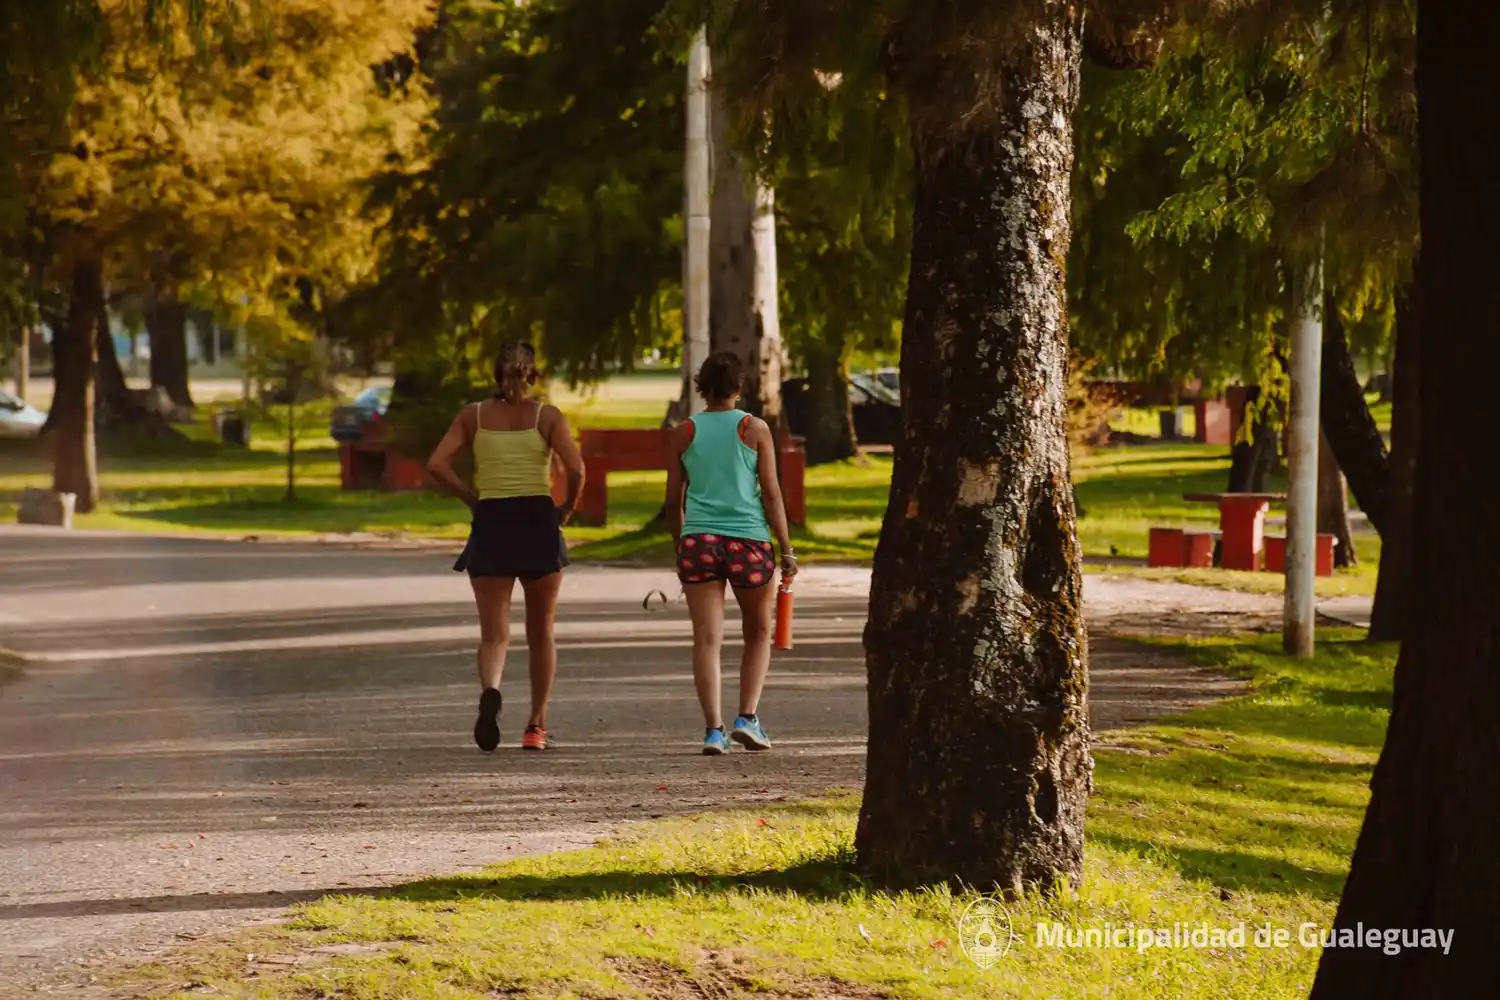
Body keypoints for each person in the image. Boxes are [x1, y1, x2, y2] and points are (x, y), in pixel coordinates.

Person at [427, 342, 585, 753]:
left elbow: (437, 464)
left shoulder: (473, 416)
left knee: (494, 635)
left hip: (492, 520)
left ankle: (491, 691)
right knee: (541, 634)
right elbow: (577, 468)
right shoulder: (547, 417)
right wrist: (567, 507)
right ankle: (536, 726)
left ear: (495, 374)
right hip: (537, 520)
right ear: (533, 375)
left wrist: (470, 497)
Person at [665, 351, 798, 756]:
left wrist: (680, 547)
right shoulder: (753, 428)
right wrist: (787, 548)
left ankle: (713, 730)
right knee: (758, 631)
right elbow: (772, 493)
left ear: (701, 387)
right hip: (749, 542)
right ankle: (748, 718)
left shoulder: (684, 431)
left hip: (700, 542)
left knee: (707, 639)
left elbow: (674, 501)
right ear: (739, 387)